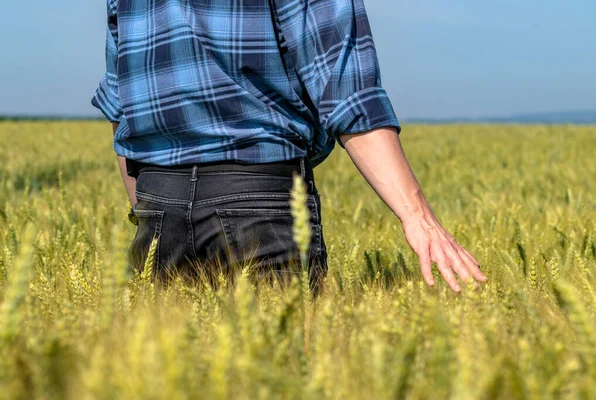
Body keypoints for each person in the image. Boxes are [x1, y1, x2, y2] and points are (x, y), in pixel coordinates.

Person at [92, 0, 487, 293]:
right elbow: (347, 86)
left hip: (158, 203)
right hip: (257, 198)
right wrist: (416, 215)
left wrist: (145, 211)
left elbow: (121, 102)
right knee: (280, 371)